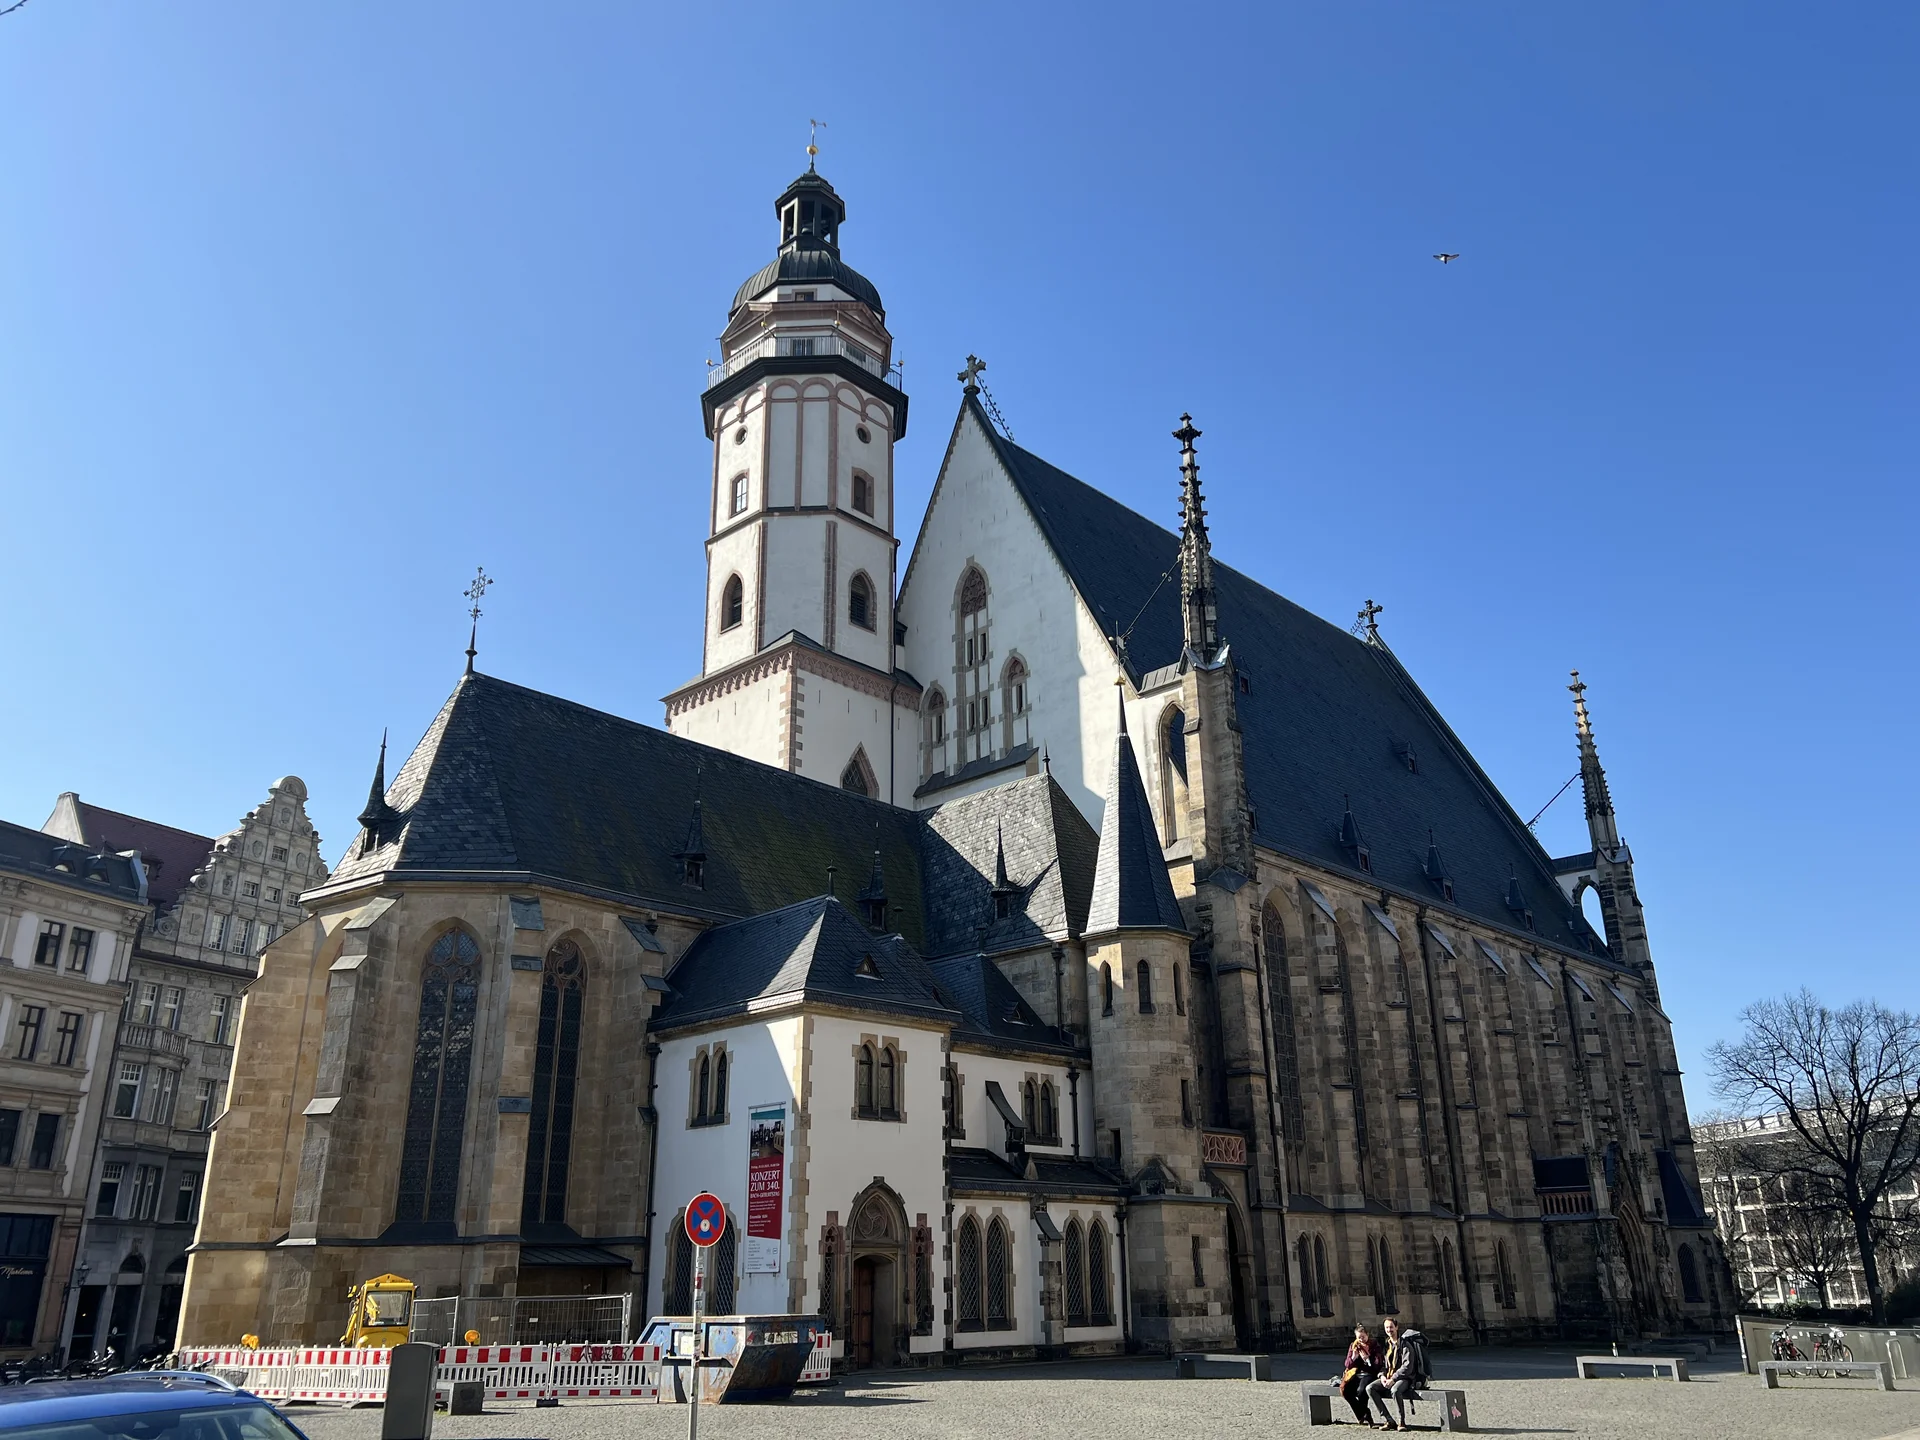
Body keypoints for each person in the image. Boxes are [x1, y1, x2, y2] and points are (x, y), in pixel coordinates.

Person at [1366, 1316, 1431, 1431]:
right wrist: (1382, 1376)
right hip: (1389, 1377)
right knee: (1370, 1388)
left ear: (1396, 1327)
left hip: (1405, 1378)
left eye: (1391, 1327)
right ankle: (1388, 1420)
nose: (1389, 1330)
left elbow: (1407, 1367)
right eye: (1386, 1327)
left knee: (1395, 1390)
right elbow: (1384, 1365)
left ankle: (1401, 1422)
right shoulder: (1388, 1345)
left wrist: (1393, 1379)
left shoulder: (1405, 1345)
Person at [1334, 1322, 1382, 1425]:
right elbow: (1347, 1364)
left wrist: (1368, 1359)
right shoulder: (1354, 1346)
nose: (1361, 1340)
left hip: (1369, 1373)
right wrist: (1354, 1357)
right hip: (1355, 1373)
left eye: (1363, 1337)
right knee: (1346, 1390)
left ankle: (1363, 1416)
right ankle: (1364, 1414)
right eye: (1359, 1338)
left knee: (1361, 1391)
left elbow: (1377, 1365)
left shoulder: (1374, 1345)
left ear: (1367, 1335)